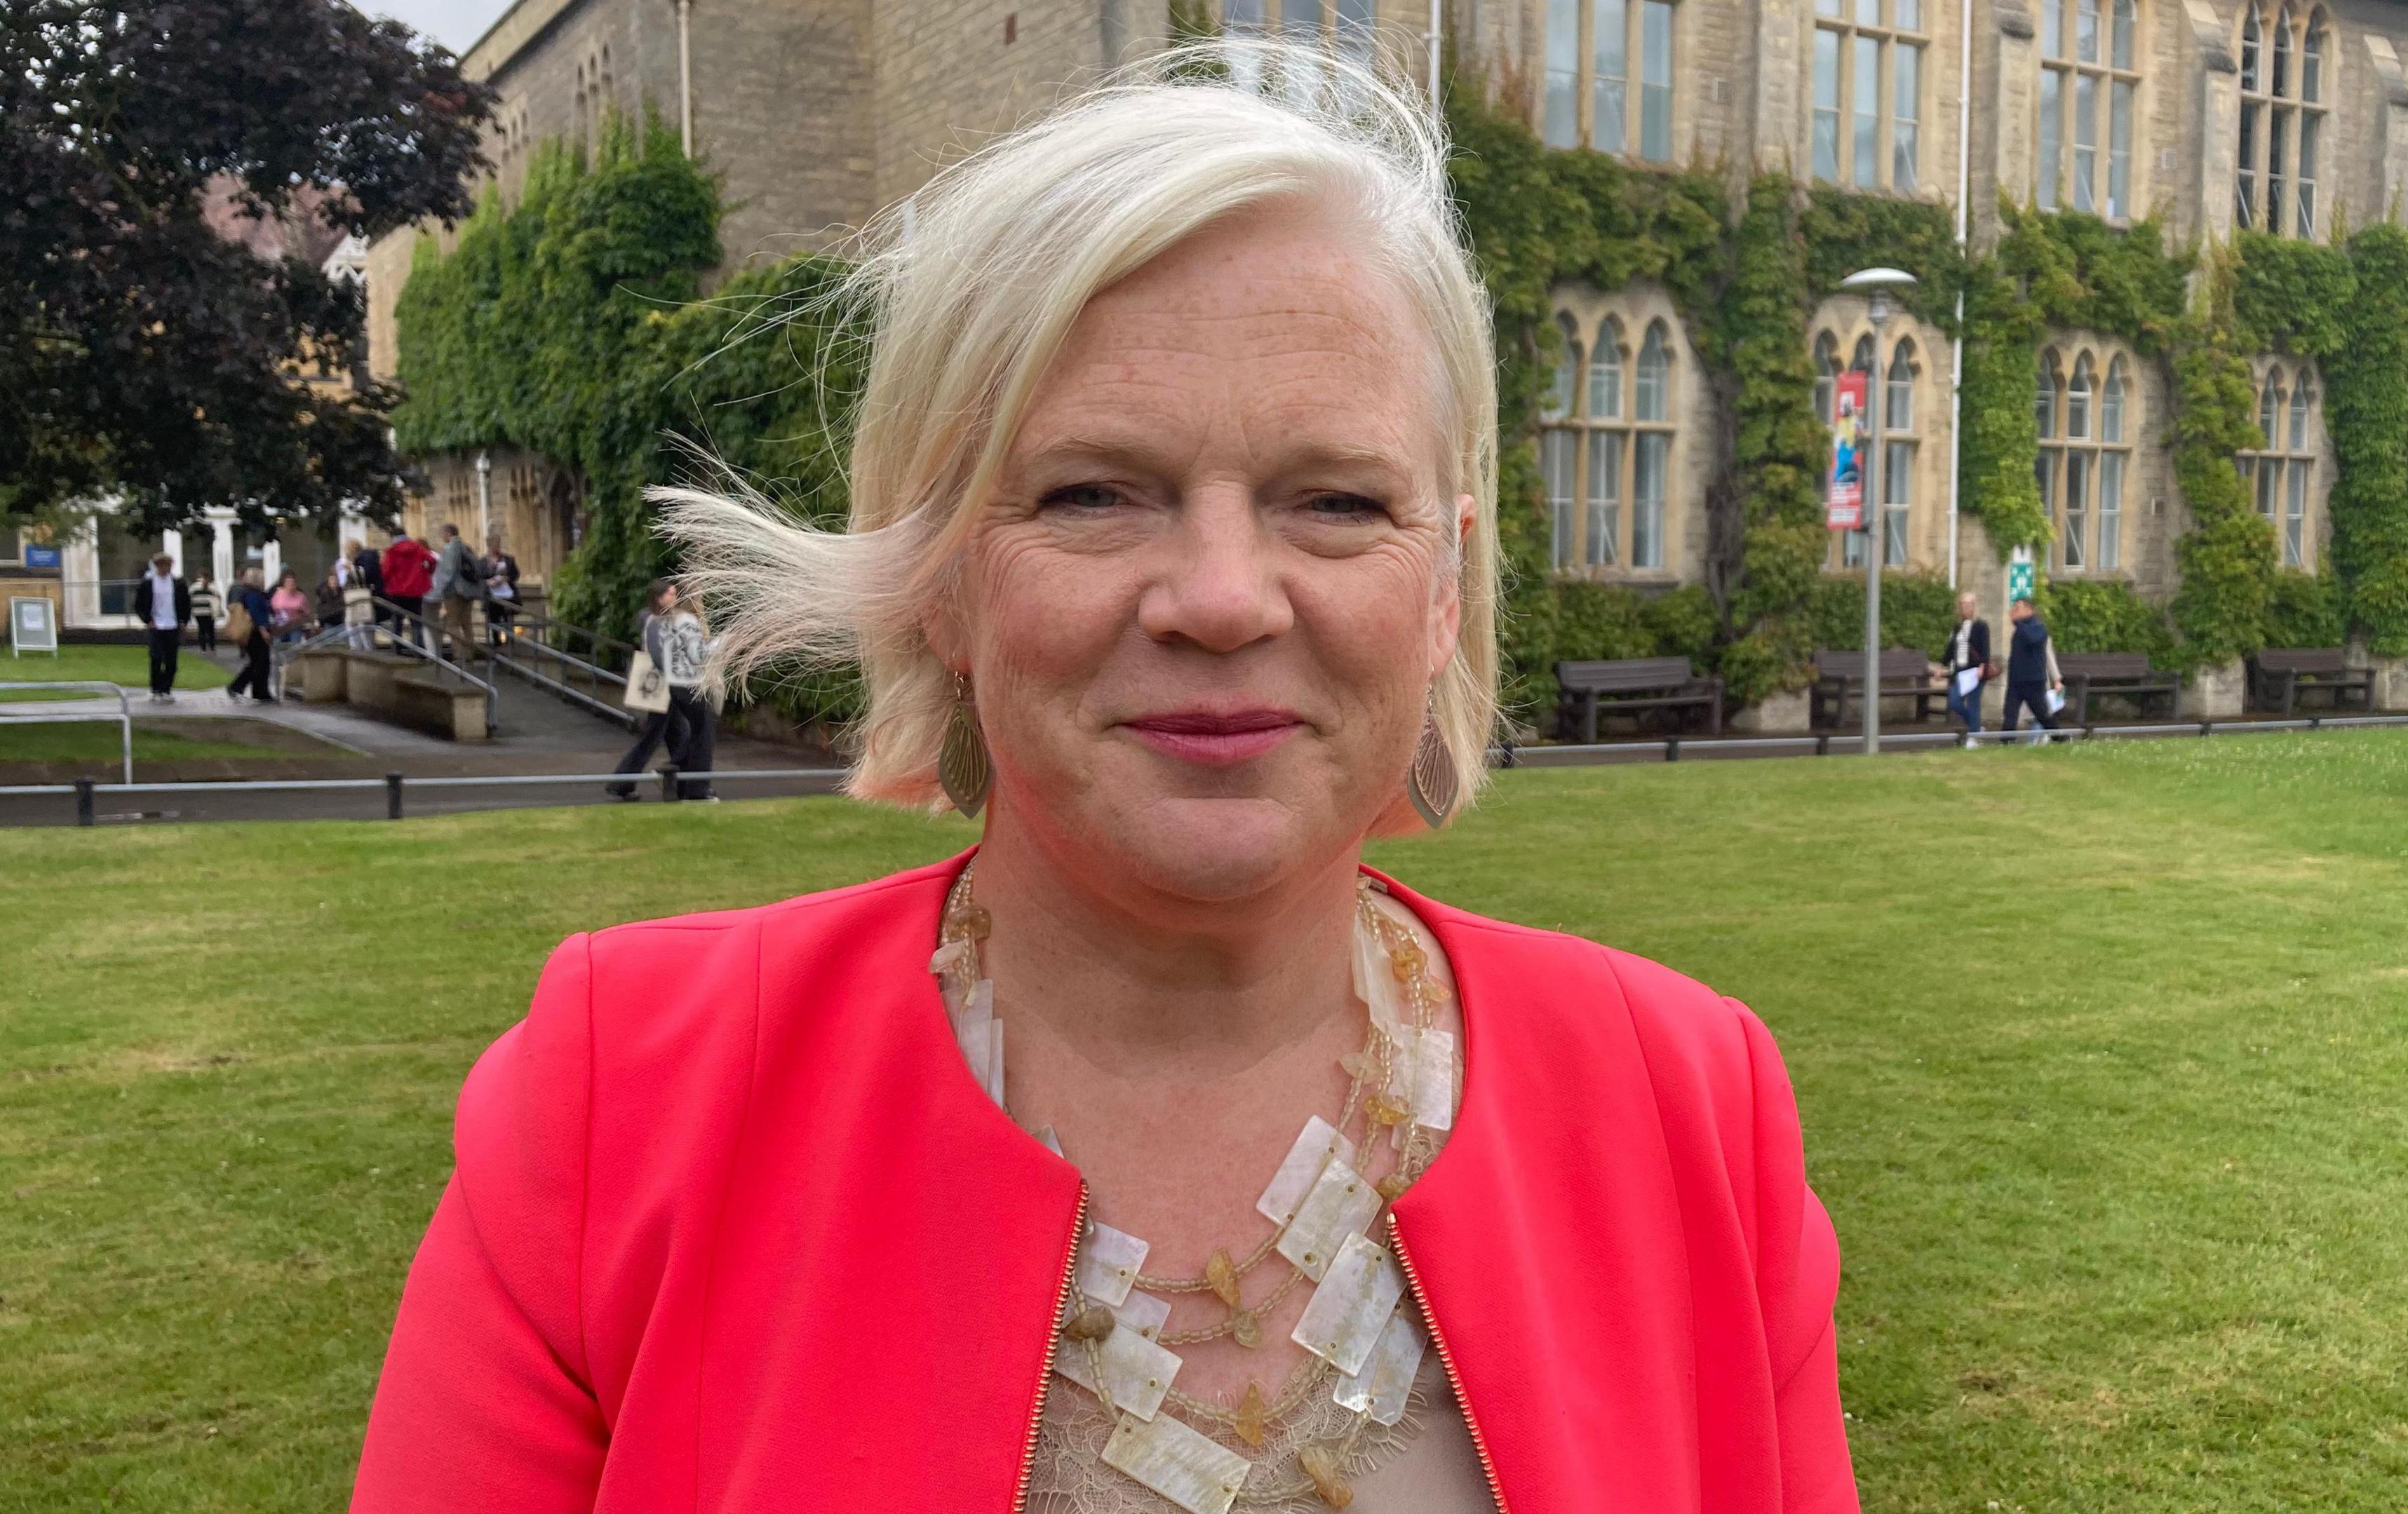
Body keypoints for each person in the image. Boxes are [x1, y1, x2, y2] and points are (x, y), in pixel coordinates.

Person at [354, 46, 1859, 1513]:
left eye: (1335, 501)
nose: (1222, 595)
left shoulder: (1690, 1106)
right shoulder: (627, 1101)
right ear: (939, 575)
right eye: (1093, 492)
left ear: (1448, 583)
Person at [603, 580, 718, 802]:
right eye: (670, 594)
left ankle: (671, 778)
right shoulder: (657, 620)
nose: (674, 598)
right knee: (663, 735)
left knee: (674, 734)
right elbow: (659, 654)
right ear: (660, 597)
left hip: (665, 685)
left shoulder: (660, 618)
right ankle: (632, 781)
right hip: (665, 685)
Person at [2003, 595, 2067, 743]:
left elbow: (2032, 639)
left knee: (2042, 714)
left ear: (2029, 609)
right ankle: (2007, 741)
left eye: (2018, 608)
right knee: (2010, 713)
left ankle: (2059, 738)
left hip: (2033, 680)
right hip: (2016, 680)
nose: (2014, 611)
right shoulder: (2019, 629)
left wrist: (2017, 623)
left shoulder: (2038, 627)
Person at [131, 552, 191, 704]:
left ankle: (166, 689)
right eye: (163, 565)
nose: (167, 569)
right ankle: (155, 688)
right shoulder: (148, 583)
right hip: (156, 625)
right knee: (156, 657)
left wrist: (183, 621)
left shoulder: (178, 584)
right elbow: (139, 605)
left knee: (172, 661)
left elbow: (185, 603)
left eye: (169, 566)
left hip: (173, 625)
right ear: (157, 566)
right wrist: (148, 620)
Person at [1939, 590, 1995, 748]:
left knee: (1973, 703)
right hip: (1960, 671)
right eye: (1962, 604)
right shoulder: (1958, 626)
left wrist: (1982, 667)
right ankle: (1975, 726)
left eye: (1968, 604)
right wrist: (1942, 666)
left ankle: (1974, 736)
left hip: (1975, 671)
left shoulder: (1981, 626)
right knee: (1954, 702)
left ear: (1974, 607)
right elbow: (1951, 648)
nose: (1965, 608)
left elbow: (1985, 648)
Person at [426, 522, 485, 663]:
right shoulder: (466, 548)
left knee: (452, 624)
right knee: (467, 623)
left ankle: (459, 654)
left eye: (443, 534)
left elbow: (448, 573)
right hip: (468, 591)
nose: (442, 537)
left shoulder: (450, 549)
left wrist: (439, 590)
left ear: (448, 534)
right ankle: (470, 653)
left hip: (454, 592)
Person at [223, 567, 276, 703]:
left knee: (261, 663)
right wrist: (263, 630)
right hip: (255, 633)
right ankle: (237, 687)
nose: (264, 581)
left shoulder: (253, 593)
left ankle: (259, 691)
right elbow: (255, 614)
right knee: (258, 663)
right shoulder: (252, 595)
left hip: (256, 632)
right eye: (261, 578)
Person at [379, 529, 436, 653]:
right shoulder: (417, 548)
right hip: (415, 590)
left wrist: (387, 583)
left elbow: (386, 571)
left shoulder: (392, 551)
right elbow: (432, 560)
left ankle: (397, 649)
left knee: (397, 622)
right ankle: (420, 650)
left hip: (396, 591)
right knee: (416, 622)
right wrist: (427, 574)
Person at [480, 532, 522, 648]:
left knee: (508, 620)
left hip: (507, 594)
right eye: (494, 544)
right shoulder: (484, 562)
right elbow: (480, 578)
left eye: (498, 544)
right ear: (489, 545)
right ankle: (496, 645)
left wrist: (507, 578)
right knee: (494, 621)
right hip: (492, 596)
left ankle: (510, 644)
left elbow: (515, 574)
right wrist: (488, 582)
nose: (497, 546)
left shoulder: (508, 559)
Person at [269, 569, 311, 647]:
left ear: (295, 584)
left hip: (295, 626)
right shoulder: (278, 593)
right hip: (280, 626)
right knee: (279, 648)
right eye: (288, 582)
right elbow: (272, 608)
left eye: (292, 582)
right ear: (284, 583)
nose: (290, 584)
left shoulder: (300, 596)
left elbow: (307, 612)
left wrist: (307, 623)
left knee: (294, 648)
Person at [188, 572, 222, 654]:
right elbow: (218, 598)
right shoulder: (212, 587)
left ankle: (203, 649)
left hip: (198, 612)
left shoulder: (193, 587)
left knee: (201, 630)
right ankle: (212, 648)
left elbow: (189, 598)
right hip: (209, 611)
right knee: (211, 630)